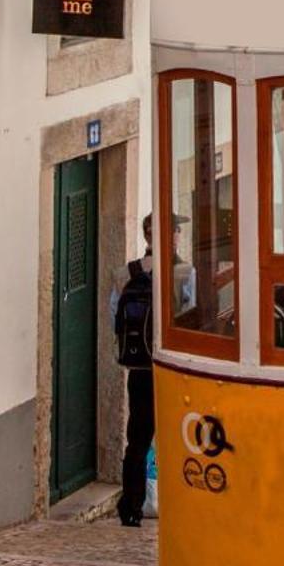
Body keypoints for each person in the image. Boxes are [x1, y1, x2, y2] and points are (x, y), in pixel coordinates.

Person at [111, 216, 159, 527]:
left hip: (138, 367)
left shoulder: (123, 274)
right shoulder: (184, 272)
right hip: (169, 369)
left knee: (137, 438)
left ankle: (131, 505)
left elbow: (114, 317)